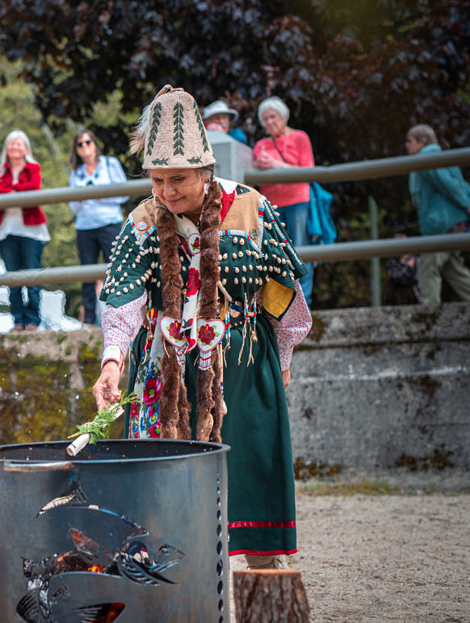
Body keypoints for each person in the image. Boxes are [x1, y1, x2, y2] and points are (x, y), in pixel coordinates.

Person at [91, 86, 312, 570]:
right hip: (166, 366)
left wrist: (285, 359)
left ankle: (262, 579)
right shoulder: (144, 220)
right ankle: (179, 594)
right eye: (157, 180)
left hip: (243, 362)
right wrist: (112, 360)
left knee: (251, 473)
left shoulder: (250, 208)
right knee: (168, 491)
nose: (167, 192)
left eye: (178, 179)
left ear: (205, 171)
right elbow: (125, 299)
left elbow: (280, 292)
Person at [405, 124, 470, 305]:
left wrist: (469, 207)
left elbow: (448, 184)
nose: (406, 145)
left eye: (410, 141)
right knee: (454, 269)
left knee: (428, 266)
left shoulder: (427, 158)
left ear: (423, 142)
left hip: (442, 223)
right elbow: (459, 184)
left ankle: (429, 314)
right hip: (453, 222)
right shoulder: (441, 158)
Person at [0, 130, 49, 331]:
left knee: (32, 277)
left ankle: (33, 320)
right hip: (7, 231)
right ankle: (17, 320)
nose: (14, 147)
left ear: (26, 149)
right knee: (12, 279)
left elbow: (33, 188)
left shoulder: (33, 168)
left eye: (18, 144)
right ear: (6, 149)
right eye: (11, 144)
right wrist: (12, 191)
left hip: (31, 231)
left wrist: (9, 190)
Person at [252, 96, 315, 304]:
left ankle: (304, 300)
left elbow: (308, 170)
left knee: (300, 250)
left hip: (298, 200)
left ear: (283, 117)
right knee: (275, 253)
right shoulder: (260, 144)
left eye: (273, 117)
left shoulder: (300, 137)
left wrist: (277, 165)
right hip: (272, 205)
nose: (269, 122)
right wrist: (258, 168)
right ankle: (281, 302)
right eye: (265, 119)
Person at [68, 129, 129, 326]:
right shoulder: (75, 172)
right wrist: (84, 196)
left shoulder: (110, 164)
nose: (85, 147)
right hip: (84, 226)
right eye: (80, 144)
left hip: (109, 224)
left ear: (95, 144)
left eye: (88, 142)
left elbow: (124, 194)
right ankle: (88, 320)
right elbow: (72, 205)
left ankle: (120, 316)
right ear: (76, 150)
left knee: (115, 270)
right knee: (87, 274)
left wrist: (100, 194)